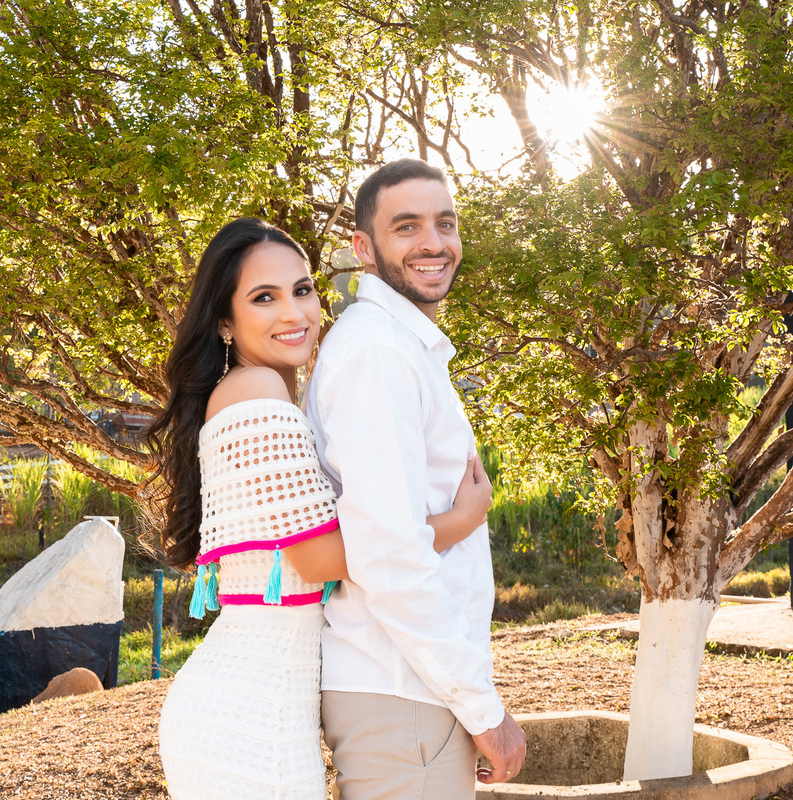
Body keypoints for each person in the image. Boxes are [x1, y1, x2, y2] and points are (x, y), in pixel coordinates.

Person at [147, 217, 493, 800]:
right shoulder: (255, 393)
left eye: (302, 290)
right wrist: (459, 521)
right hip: (251, 715)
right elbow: (317, 558)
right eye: (265, 297)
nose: (294, 313)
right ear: (225, 322)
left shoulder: (267, 392)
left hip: (266, 700)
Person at [306, 159, 527, 800]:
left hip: (407, 687)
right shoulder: (378, 352)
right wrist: (482, 709)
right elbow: (389, 552)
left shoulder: (400, 344)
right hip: (399, 686)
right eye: (407, 226)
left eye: (445, 223)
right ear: (364, 249)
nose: (433, 242)